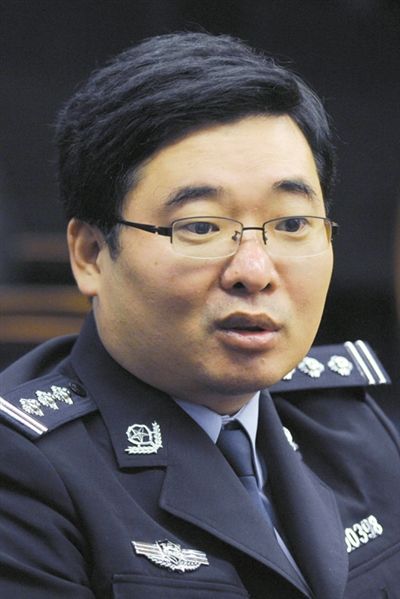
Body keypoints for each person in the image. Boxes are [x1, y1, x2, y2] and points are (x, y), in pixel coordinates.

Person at [0, 32, 399, 599]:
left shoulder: (348, 425)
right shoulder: (23, 470)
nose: (254, 270)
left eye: (292, 224)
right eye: (201, 227)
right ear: (91, 254)